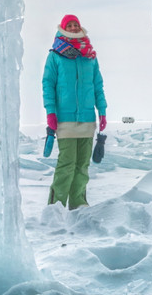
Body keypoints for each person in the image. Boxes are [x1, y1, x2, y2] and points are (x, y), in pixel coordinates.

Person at [42, 13, 107, 209]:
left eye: (75, 25)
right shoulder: (55, 55)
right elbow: (48, 84)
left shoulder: (90, 56)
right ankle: (55, 207)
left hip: (87, 119)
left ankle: (79, 205)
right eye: (68, 25)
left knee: (82, 167)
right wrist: (51, 112)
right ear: (63, 28)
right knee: (66, 165)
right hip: (65, 119)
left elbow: (98, 86)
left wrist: (102, 111)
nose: (72, 28)